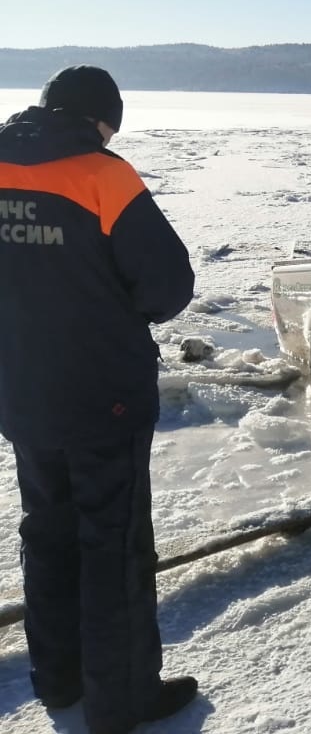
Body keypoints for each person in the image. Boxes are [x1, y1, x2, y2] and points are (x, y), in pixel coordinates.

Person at [0, 66, 199, 734]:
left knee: (47, 536)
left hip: (21, 391)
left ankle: (57, 682)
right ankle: (123, 702)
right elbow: (167, 288)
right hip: (101, 396)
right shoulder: (102, 174)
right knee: (110, 548)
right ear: (97, 118)